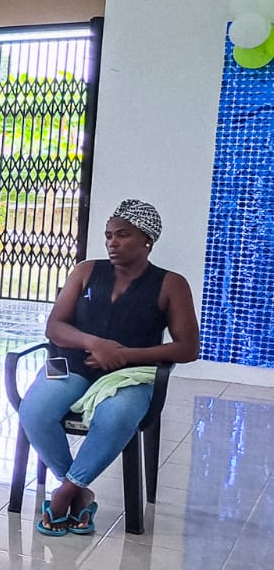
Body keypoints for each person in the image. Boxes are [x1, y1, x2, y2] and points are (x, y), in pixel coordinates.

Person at [19, 200, 199, 536]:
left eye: (123, 235)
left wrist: (126, 355)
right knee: (35, 411)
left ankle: (65, 493)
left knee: (116, 416)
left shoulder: (171, 284)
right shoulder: (86, 271)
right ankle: (78, 491)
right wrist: (95, 344)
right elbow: (54, 327)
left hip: (129, 375)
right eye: (108, 236)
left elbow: (188, 347)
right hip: (72, 365)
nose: (112, 242)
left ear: (147, 239)